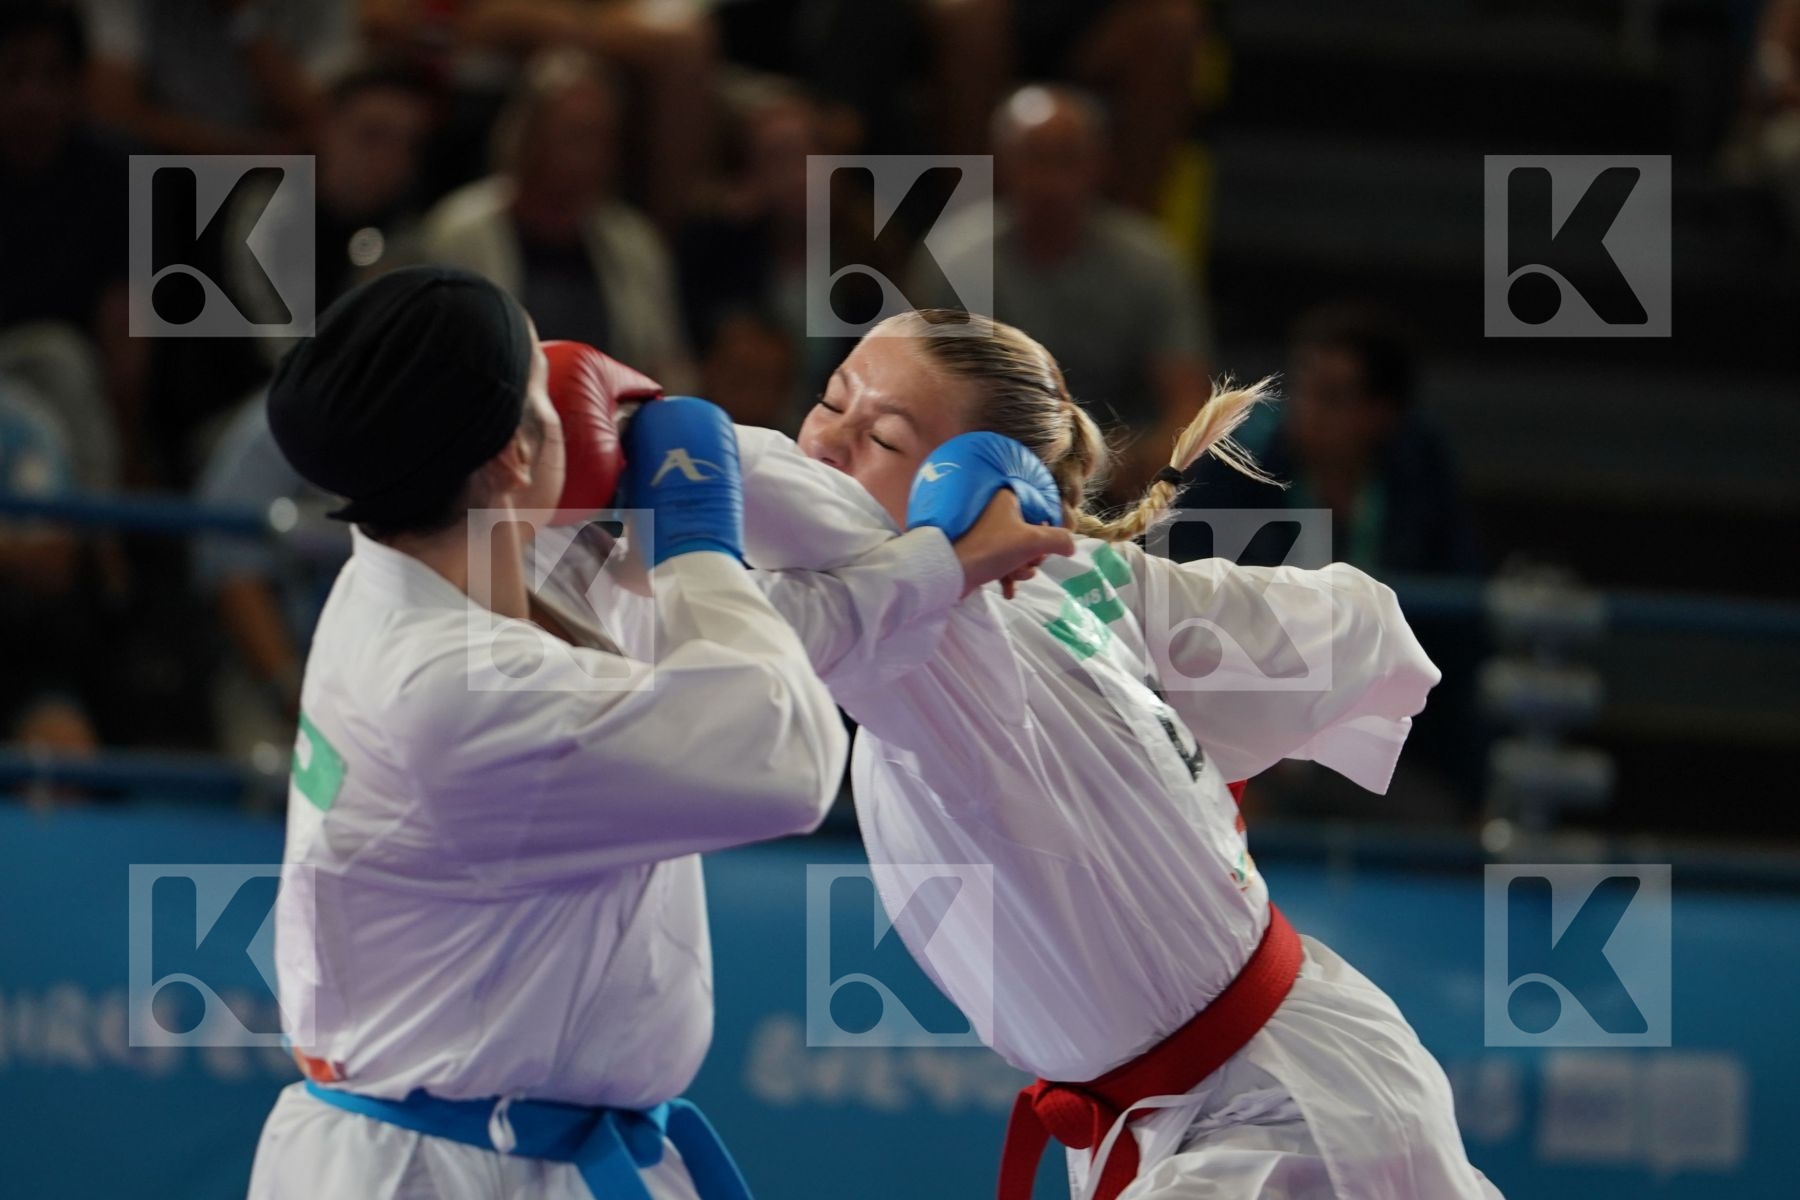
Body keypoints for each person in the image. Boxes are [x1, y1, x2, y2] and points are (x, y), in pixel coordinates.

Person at [590, 309, 1499, 1199]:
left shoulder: (952, 630)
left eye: (884, 436)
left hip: (1277, 1126)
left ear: (974, 483)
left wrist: (611, 419)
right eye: (829, 402)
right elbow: (1354, 623)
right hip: (1270, 1091)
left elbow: (742, 559)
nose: (824, 445)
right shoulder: (1073, 578)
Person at [246, 268, 1062, 1199]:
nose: (572, 396)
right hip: (456, 1170)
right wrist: (697, 537)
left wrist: (935, 562)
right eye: (539, 392)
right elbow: (784, 749)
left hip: (512, 1145)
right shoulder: (456, 697)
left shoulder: (435, 558)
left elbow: (742, 646)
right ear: (515, 452)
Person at [912, 85, 1218, 503]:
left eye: (1067, 158)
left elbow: (1189, 401)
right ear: (1002, 163)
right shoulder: (952, 259)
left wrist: (1155, 465)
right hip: (985, 471)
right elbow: (918, 392)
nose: (1050, 180)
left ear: (1101, 164)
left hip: (1121, 481)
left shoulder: (1151, 262)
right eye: (1034, 158)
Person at [420, 48, 695, 389]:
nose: (592, 155)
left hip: (611, 428)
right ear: (529, 136)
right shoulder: (460, 232)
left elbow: (668, 365)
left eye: (603, 138)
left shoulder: (634, 242)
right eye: (576, 135)